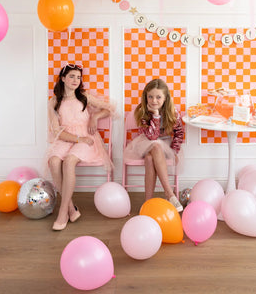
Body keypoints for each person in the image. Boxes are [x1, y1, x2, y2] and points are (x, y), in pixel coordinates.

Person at [47, 63, 115, 230]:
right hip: (67, 138)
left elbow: (110, 108)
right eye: (71, 76)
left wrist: (95, 117)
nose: (75, 80)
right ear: (62, 78)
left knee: (69, 161)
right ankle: (71, 208)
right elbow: (57, 131)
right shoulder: (54, 101)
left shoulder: (84, 97)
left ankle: (63, 212)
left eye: (78, 77)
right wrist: (76, 139)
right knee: (54, 161)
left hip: (87, 138)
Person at [124, 78, 184, 212]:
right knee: (155, 146)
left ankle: (148, 203)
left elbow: (179, 133)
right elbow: (152, 137)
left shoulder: (173, 112)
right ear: (145, 97)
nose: (154, 100)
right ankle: (169, 194)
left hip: (165, 145)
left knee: (150, 159)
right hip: (145, 143)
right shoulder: (142, 112)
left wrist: (174, 152)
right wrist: (155, 116)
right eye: (150, 96)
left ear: (165, 98)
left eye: (158, 97)